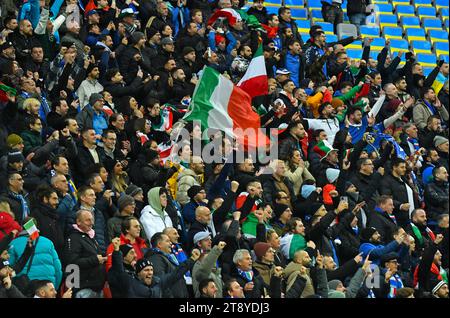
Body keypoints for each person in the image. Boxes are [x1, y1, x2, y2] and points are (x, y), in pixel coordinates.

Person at [62, 210, 107, 298]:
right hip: (84, 290)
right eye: (88, 220)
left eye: (92, 220)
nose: (91, 223)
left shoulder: (90, 237)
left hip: (96, 288)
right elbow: (72, 263)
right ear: (78, 222)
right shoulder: (74, 238)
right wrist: (95, 260)